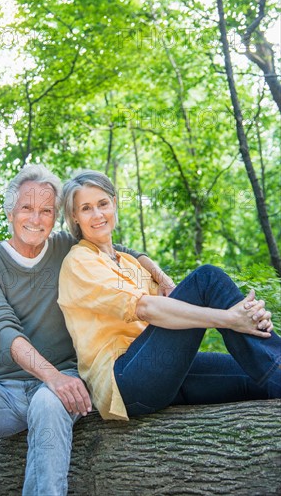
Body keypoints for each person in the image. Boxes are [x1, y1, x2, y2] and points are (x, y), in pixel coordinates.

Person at [0, 164, 163, 496]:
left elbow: (120, 252)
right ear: (10, 211)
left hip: (67, 377)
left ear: (56, 216)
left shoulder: (67, 249)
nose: (36, 218)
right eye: (27, 209)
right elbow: (3, 330)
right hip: (3, 389)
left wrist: (160, 274)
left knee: (47, 406)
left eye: (46, 210)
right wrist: (51, 376)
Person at [58, 170, 281, 421]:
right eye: (86, 208)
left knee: (256, 380)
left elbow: (173, 304)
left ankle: (272, 357)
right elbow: (147, 308)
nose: (97, 215)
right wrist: (230, 318)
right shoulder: (79, 262)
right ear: (74, 217)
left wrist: (252, 320)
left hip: (160, 370)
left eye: (102, 204)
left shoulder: (130, 263)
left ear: (114, 203)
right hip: (124, 380)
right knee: (206, 279)